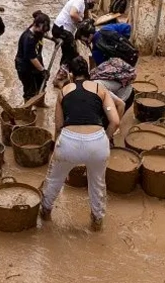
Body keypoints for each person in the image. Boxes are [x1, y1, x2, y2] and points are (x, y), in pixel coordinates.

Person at [40, 56, 120, 231]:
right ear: (89, 73)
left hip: (69, 143)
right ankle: (97, 222)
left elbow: (59, 124)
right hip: (98, 143)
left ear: (71, 74)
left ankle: (45, 213)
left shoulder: (64, 90)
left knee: (55, 179)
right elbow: (115, 121)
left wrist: (56, 147)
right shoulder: (101, 89)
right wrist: (104, 138)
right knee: (97, 183)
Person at [52, 0, 100, 87]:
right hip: (62, 29)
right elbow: (73, 14)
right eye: (94, 2)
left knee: (68, 53)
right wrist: (83, 22)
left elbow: (82, 25)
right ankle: (60, 78)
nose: (94, 4)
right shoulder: (80, 1)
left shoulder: (84, 8)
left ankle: (63, 76)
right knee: (72, 54)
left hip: (65, 30)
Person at [15, 11, 51, 106]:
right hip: (25, 65)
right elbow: (32, 58)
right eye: (42, 30)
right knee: (29, 89)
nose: (43, 33)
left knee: (42, 82)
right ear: (35, 25)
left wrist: (53, 39)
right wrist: (43, 70)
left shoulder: (38, 31)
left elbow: (44, 34)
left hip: (36, 61)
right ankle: (27, 110)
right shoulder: (29, 38)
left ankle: (39, 103)